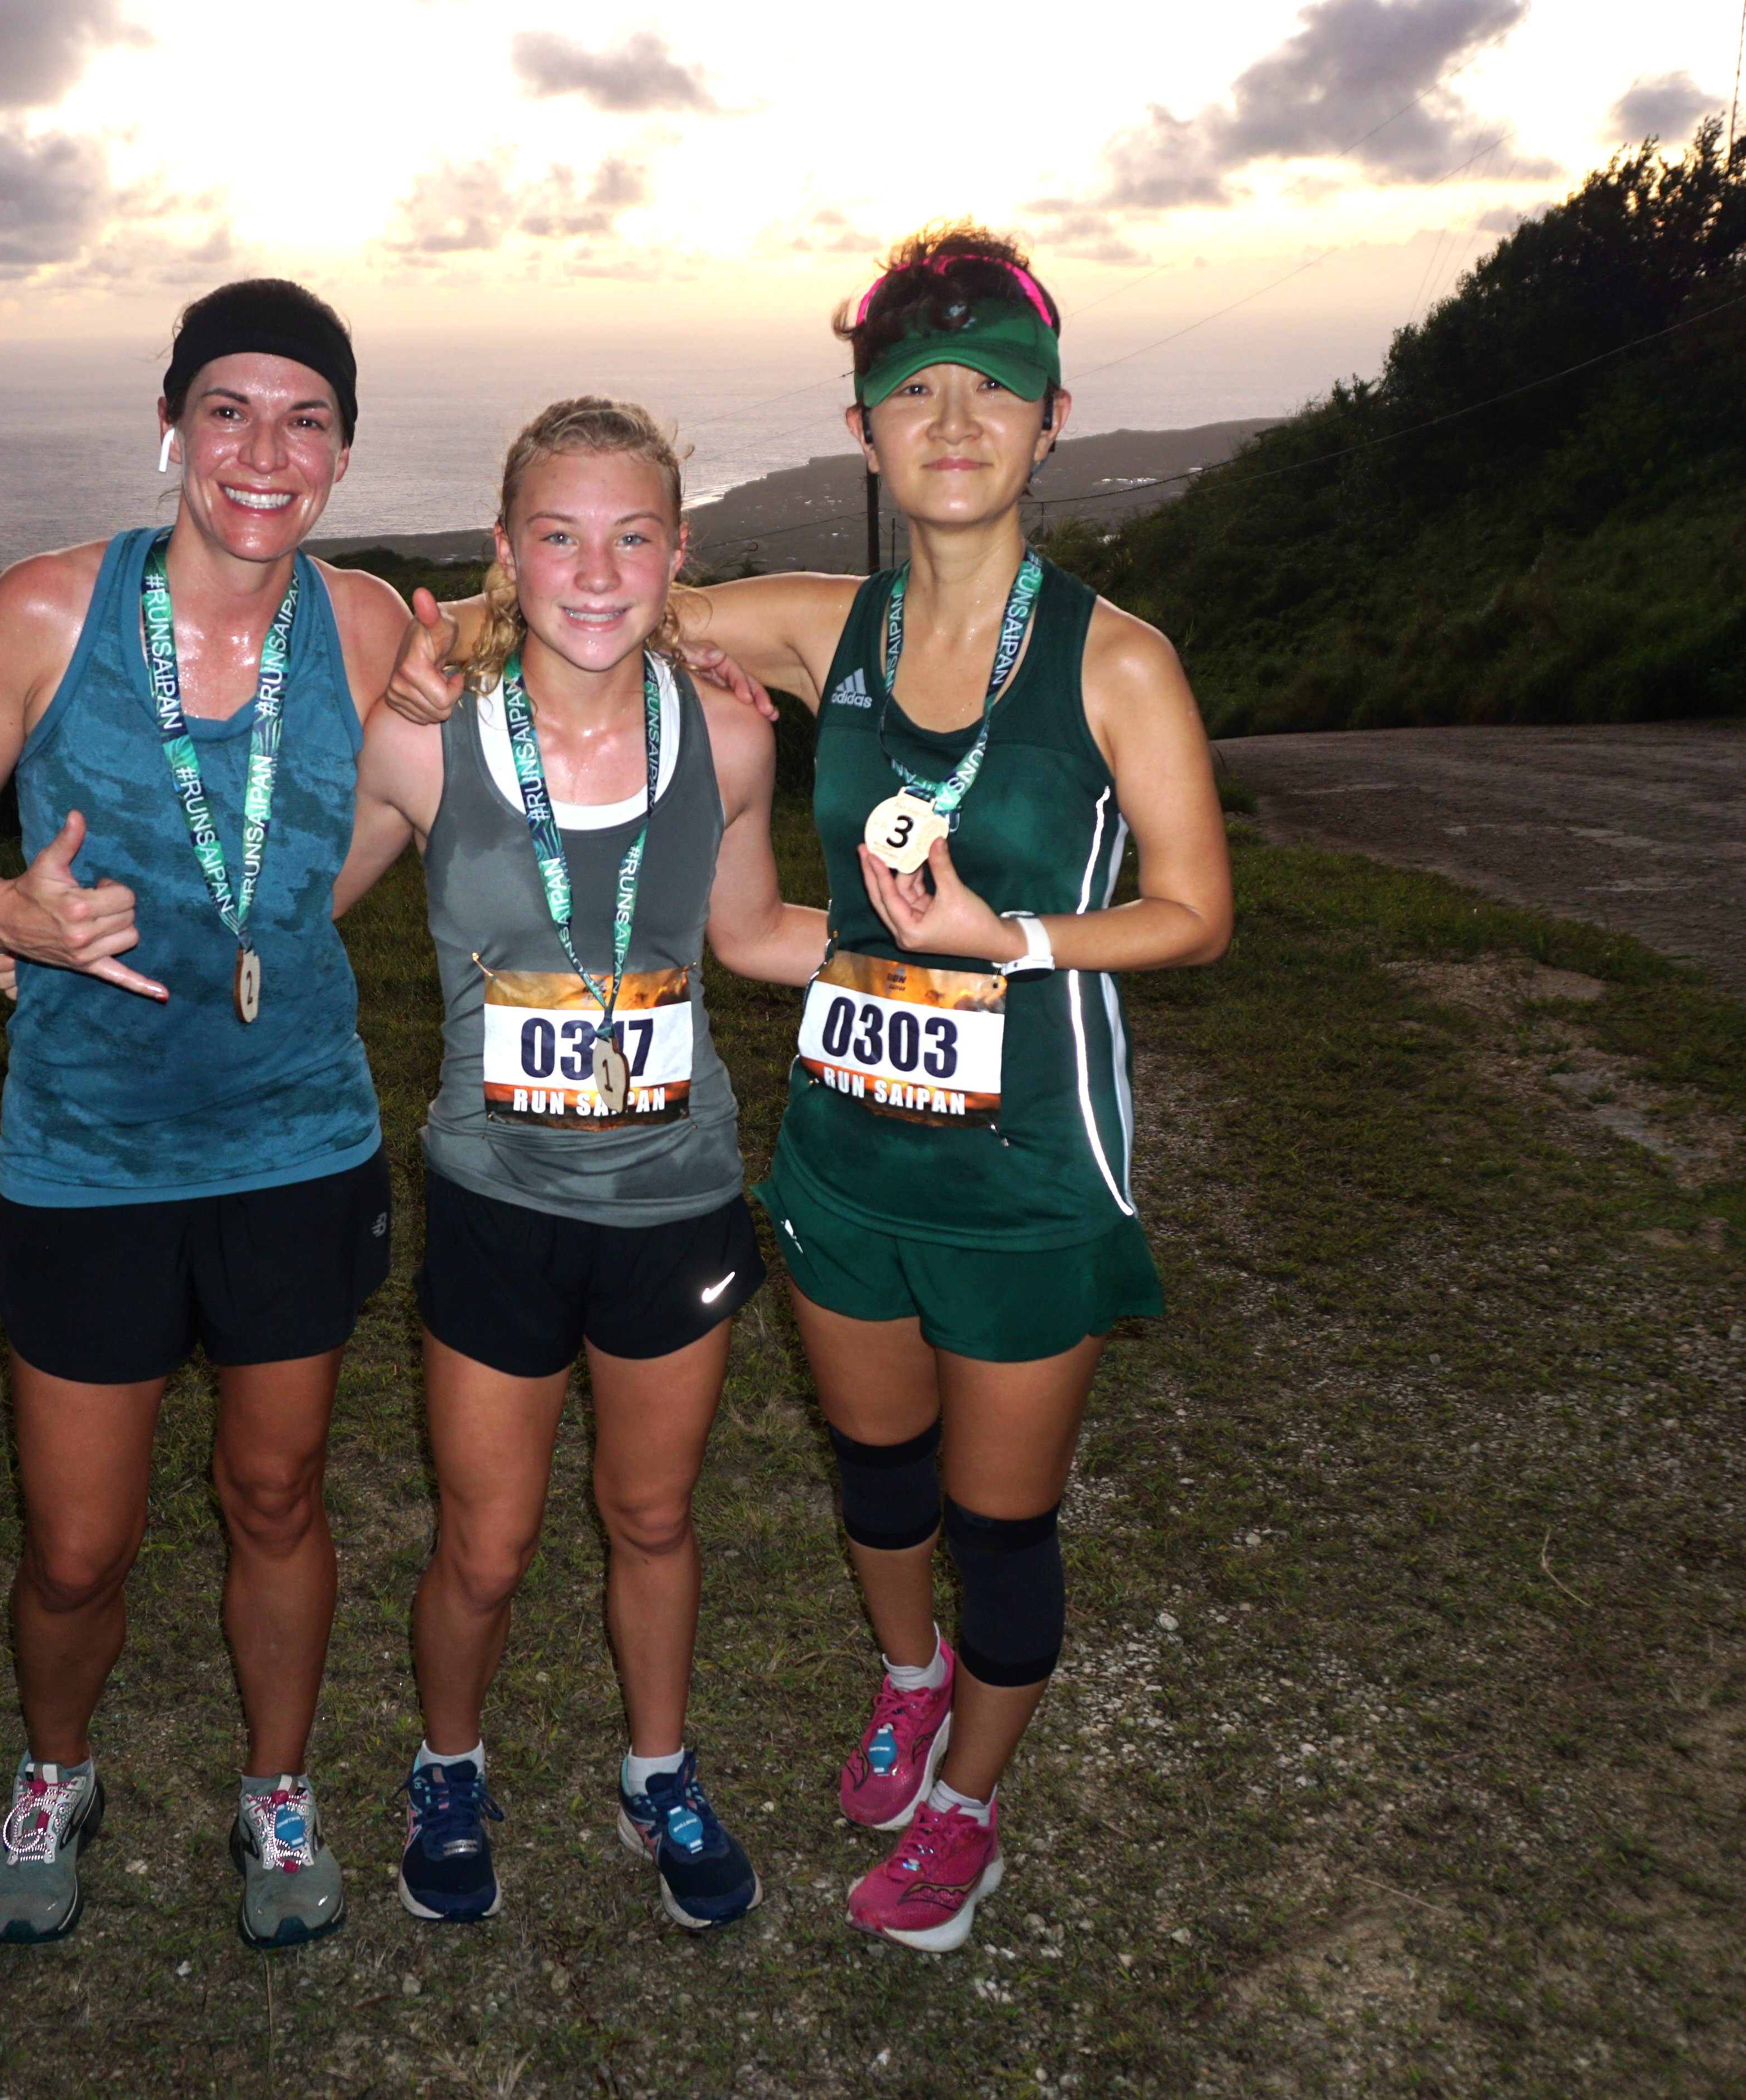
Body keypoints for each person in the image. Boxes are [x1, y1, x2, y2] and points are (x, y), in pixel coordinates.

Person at [386, 223, 1234, 1951]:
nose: (947, 419)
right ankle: (906, 1678)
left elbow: (1198, 910)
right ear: (860, 427)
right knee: (877, 1477)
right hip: (843, 1155)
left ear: (1049, 418)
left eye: (986, 390)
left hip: (1023, 1164)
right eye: (909, 390)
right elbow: (605, 589)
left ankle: (969, 1808)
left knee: (1001, 1521)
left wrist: (1023, 943)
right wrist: (434, 652)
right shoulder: (821, 628)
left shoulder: (1115, 656)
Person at [0, 277, 417, 1950]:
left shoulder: (367, 627)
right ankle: (57, 1770)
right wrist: (2, 915)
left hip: (294, 1140)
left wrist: (296, 914)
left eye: (307, 417)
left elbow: (537, 674)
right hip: (88, 1152)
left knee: (275, 1497)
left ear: (341, 446)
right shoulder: (48, 610)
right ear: (172, 426)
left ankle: (278, 1788)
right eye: (230, 410)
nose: (265, 452)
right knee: (74, 1543)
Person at [332, 397, 827, 1929]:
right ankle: (447, 1768)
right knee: (483, 1542)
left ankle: (656, 1774)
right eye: (557, 535)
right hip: (494, 1203)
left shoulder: (733, 727)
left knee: (654, 1517)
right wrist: (81, 940)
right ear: (504, 553)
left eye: (629, 537)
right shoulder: (418, 736)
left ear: (677, 556)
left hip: (673, 1199)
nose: (594, 570)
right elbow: (291, 905)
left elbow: (746, 932)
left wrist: (981, 945)